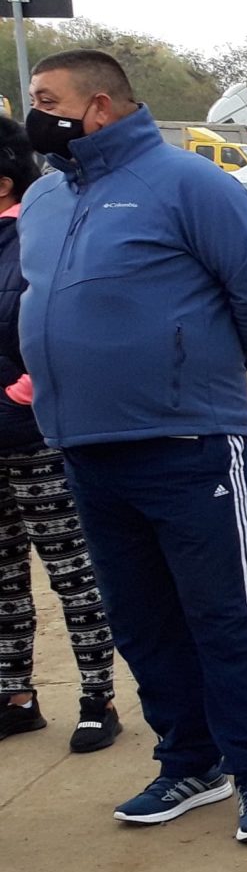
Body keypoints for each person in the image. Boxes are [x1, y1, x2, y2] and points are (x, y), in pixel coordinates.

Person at [14, 49, 247, 841]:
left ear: (98, 106)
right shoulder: (44, 200)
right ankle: (190, 760)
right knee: (141, 618)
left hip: (189, 438)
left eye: (46, 98)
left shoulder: (189, 184)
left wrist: (200, 365)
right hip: (84, 447)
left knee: (225, 614)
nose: (33, 111)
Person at [0, 113, 121, 753]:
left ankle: (97, 695)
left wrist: (21, 391)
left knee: (71, 571)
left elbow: (54, 322)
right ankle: (15, 694)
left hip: (33, 434)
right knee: (2, 577)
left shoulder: (36, 233)